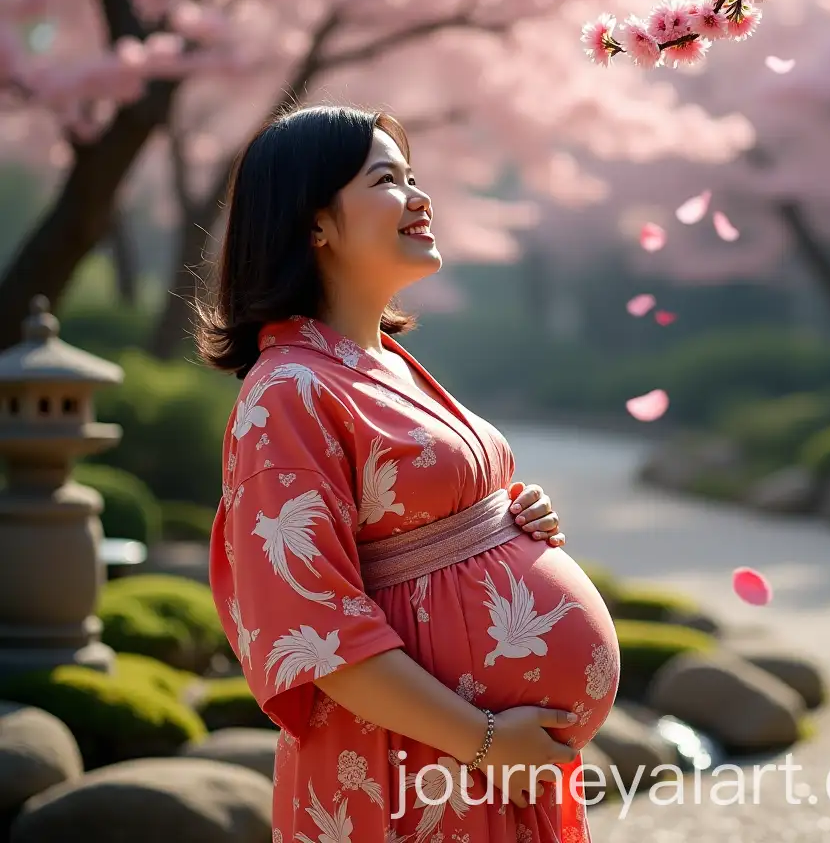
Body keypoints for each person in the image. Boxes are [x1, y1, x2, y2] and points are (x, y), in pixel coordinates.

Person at [196, 105, 621, 843]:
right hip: (413, 760)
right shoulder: (286, 391)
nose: (421, 198)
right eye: (387, 180)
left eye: (413, 176)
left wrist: (510, 520)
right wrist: (484, 741)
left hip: (488, 754)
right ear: (315, 223)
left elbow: (424, 519)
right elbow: (311, 624)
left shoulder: (385, 364)